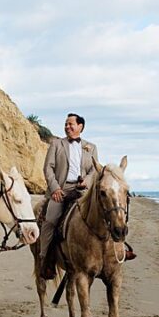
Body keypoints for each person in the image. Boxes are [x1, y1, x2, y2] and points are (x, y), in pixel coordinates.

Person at [37, 113, 99, 279]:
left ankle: (115, 251)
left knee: (103, 214)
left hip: (82, 190)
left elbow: (94, 170)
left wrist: (86, 180)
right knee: (50, 220)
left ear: (80, 126)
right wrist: (55, 188)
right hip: (61, 190)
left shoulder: (91, 147)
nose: (67, 127)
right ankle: (45, 260)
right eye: (66, 124)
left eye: (71, 124)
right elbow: (48, 168)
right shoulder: (57, 144)